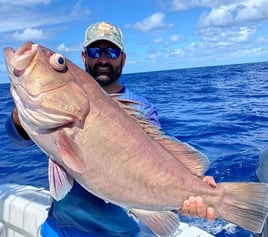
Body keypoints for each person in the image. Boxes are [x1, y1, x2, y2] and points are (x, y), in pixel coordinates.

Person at [6, 22, 216, 237]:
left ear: (122, 58)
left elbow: (157, 166)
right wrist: (21, 110)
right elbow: (17, 139)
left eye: (112, 52)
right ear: (84, 56)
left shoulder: (142, 109)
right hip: (59, 228)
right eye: (96, 51)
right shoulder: (47, 117)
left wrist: (194, 190)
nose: (104, 59)